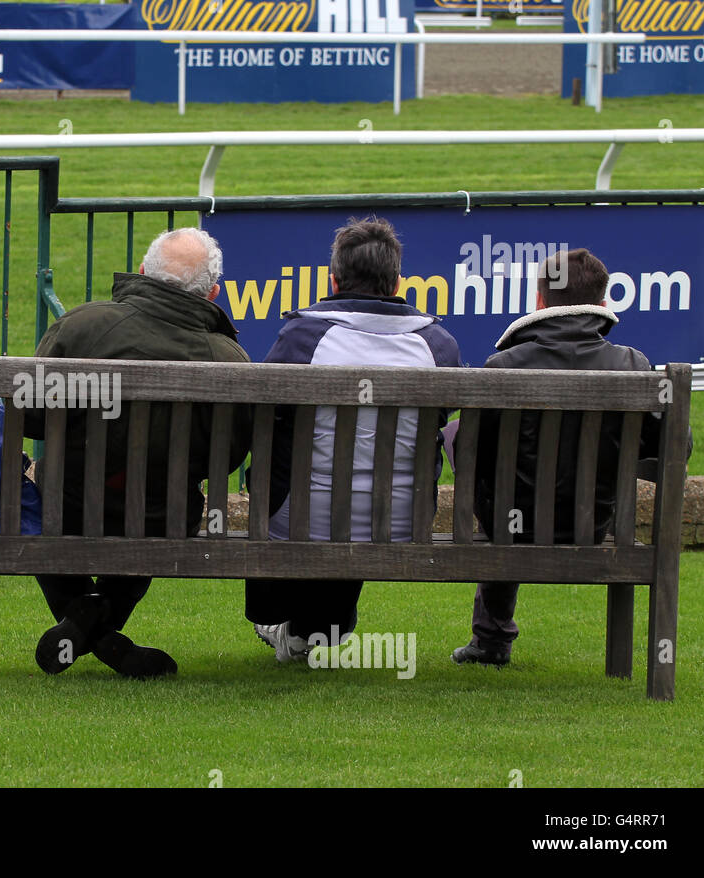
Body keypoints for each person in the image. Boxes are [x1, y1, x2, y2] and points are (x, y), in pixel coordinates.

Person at [24, 227, 252, 679]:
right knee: (158, 500)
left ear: (144, 272)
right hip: (162, 515)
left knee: (34, 499)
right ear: (213, 292)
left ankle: (87, 623)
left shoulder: (81, 327)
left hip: (65, 505)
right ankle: (103, 633)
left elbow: (29, 417)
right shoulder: (228, 357)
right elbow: (224, 460)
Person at [247, 217, 463, 661]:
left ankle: (298, 627)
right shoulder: (438, 346)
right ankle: (317, 632)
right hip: (403, 520)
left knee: (294, 477)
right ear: (398, 281)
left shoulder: (303, 337)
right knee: (354, 492)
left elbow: (265, 415)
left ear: (334, 280)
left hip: (303, 518)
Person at [453, 247, 682, 666]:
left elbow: (472, 455)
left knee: (500, 490)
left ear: (540, 302)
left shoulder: (504, 367)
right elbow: (674, 450)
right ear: (602, 304)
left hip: (510, 523)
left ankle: (490, 640)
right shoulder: (633, 366)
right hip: (591, 523)